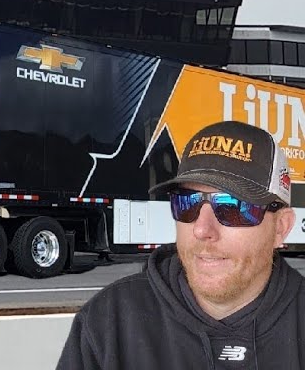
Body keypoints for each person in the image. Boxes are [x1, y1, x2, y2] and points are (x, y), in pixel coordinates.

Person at [56, 120, 305, 369]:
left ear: (281, 228)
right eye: (187, 203)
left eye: (233, 207)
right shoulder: (108, 325)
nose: (201, 229)